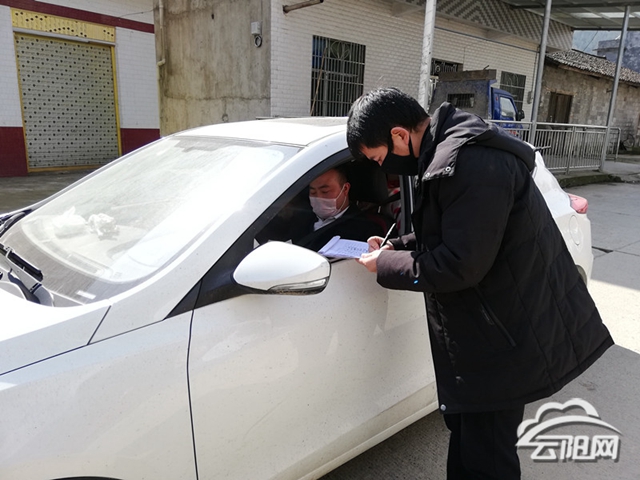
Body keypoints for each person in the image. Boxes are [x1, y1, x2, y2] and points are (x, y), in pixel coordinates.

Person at [346, 87, 614, 479]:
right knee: (470, 443)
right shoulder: (448, 157)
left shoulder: (470, 164)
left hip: (502, 338)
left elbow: (460, 264)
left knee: (487, 458)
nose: (384, 168)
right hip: (490, 331)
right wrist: (397, 246)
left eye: (379, 159)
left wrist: (386, 264)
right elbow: (453, 231)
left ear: (399, 135)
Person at [256, 167, 387, 252]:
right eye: (313, 192)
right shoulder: (301, 216)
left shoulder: (366, 230)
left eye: (325, 191)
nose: (318, 197)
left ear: (345, 189)